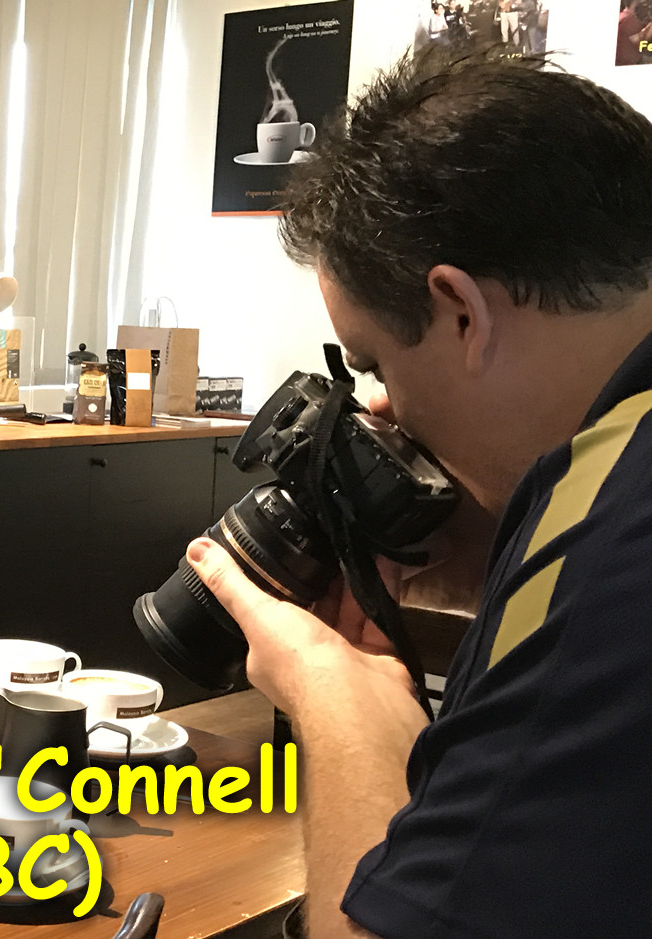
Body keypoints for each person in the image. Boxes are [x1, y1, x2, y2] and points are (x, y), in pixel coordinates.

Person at [188, 45, 652, 937]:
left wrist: (336, 697)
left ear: (462, 312)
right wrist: (502, 557)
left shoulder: (609, 546)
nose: (382, 411)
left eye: (374, 364)